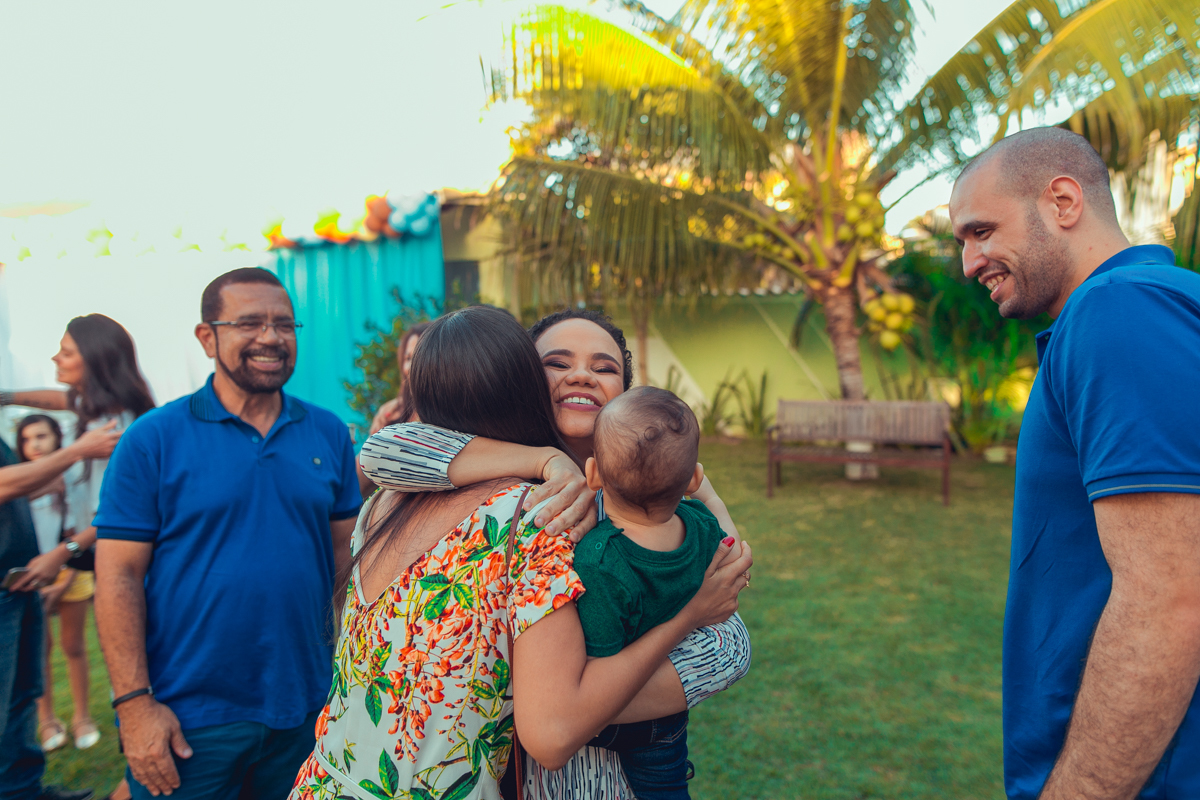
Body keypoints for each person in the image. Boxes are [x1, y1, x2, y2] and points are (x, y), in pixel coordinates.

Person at [288, 306, 752, 800]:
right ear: (520, 380)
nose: (581, 374)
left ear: (628, 393)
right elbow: (385, 449)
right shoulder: (531, 508)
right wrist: (546, 460)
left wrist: (576, 694)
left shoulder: (655, 495)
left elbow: (727, 639)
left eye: (604, 366)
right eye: (557, 362)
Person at [949, 127, 1200, 799]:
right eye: (961, 242)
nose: (969, 263)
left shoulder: (1121, 310)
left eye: (980, 231)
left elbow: (1168, 599)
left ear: (1062, 201)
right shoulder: (1137, 310)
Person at [92, 267, 362, 800]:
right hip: (190, 714)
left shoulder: (327, 432)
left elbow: (346, 561)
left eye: (284, 324)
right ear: (207, 336)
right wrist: (134, 705)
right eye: (250, 323)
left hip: (306, 708)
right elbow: (118, 578)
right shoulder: (154, 439)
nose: (270, 338)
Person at [574, 386, 739, 800]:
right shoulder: (700, 525)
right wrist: (712, 497)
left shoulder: (598, 562)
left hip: (611, 718)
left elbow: (598, 661)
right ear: (693, 480)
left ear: (592, 474)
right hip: (667, 723)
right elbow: (733, 552)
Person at [8, 314, 158, 756]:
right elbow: (55, 399)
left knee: (131, 659)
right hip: (96, 555)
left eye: (67, 352)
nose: (56, 357)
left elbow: (120, 512)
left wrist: (63, 551)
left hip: (114, 557)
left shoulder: (114, 428)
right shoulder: (91, 412)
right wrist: (7, 396)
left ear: (95, 360)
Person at [0, 392, 122, 800]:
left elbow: (88, 395)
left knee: (22, 696)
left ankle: (21, 790)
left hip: (16, 583)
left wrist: (11, 395)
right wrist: (78, 451)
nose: (55, 360)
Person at [16, 414, 93, 753]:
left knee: (74, 646)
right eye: (27, 438)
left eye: (42, 436)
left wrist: (63, 582)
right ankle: (46, 719)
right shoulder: (18, 483)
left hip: (68, 575)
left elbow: (79, 535)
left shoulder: (72, 480)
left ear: (57, 438)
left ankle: (82, 717)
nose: (35, 444)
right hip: (33, 578)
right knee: (39, 653)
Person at [369, 321, 432, 435]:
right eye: (408, 358)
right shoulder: (391, 412)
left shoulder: (449, 415)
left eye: (419, 358)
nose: (412, 367)